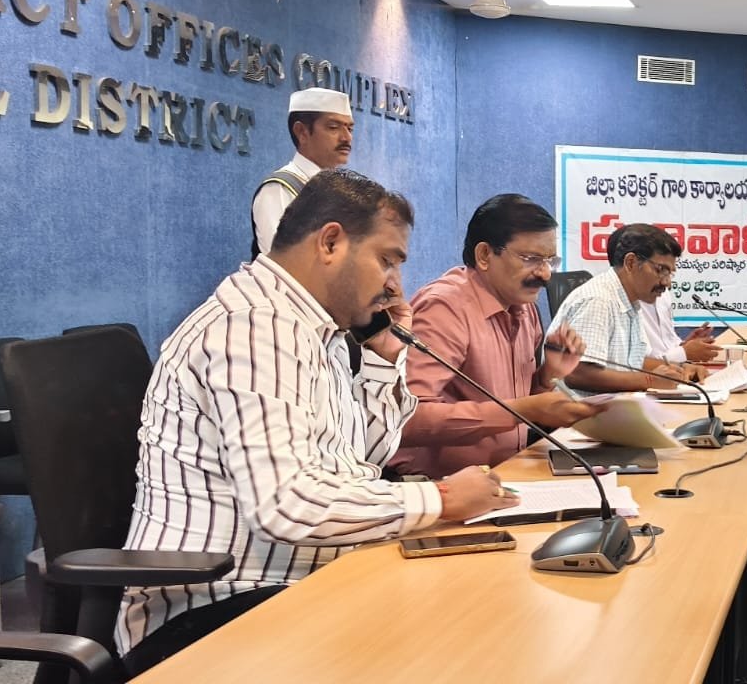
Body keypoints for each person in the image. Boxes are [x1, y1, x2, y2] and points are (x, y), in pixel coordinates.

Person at [118, 169, 519, 673]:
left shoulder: (311, 328)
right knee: (455, 643)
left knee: (476, 613)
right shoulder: (254, 326)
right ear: (331, 242)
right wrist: (439, 498)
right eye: (387, 260)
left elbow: (356, 459)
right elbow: (287, 504)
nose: (395, 285)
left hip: (291, 584)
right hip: (213, 612)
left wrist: (382, 357)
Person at [390, 194, 604, 477]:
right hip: (436, 484)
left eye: (550, 261)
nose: (545, 274)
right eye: (531, 259)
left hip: (506, 472)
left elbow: (523, 409)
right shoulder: (445, 308)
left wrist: (546, 377)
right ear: (484, 255)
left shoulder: (524, 308)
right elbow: (408, 418)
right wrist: (524, 410)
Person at [548, 223, 706, 392]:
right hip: (578, 407)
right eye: (661, 270)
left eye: (670, 273)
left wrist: (679, 369)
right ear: (631, 263)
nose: (667, 283)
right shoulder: (599, 300)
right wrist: (650, 380)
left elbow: (632, 363)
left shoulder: (630, 301)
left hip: (614, 404)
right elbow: (577, 374)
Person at [251, 87, 354, 257]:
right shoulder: (279, 190)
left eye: (350, 129)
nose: (346, 138)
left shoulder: (346, 192)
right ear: (302, 132)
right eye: (334, 127)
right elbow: (283, 261)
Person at [639, 288, 721, 364]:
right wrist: (684, 353)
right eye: (662, 275)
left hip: (676, 369)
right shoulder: (633, 302)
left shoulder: (664, 293)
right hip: (652, 373)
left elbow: (669, 342)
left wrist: (686, 346)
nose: (668, 283)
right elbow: (638, 362)